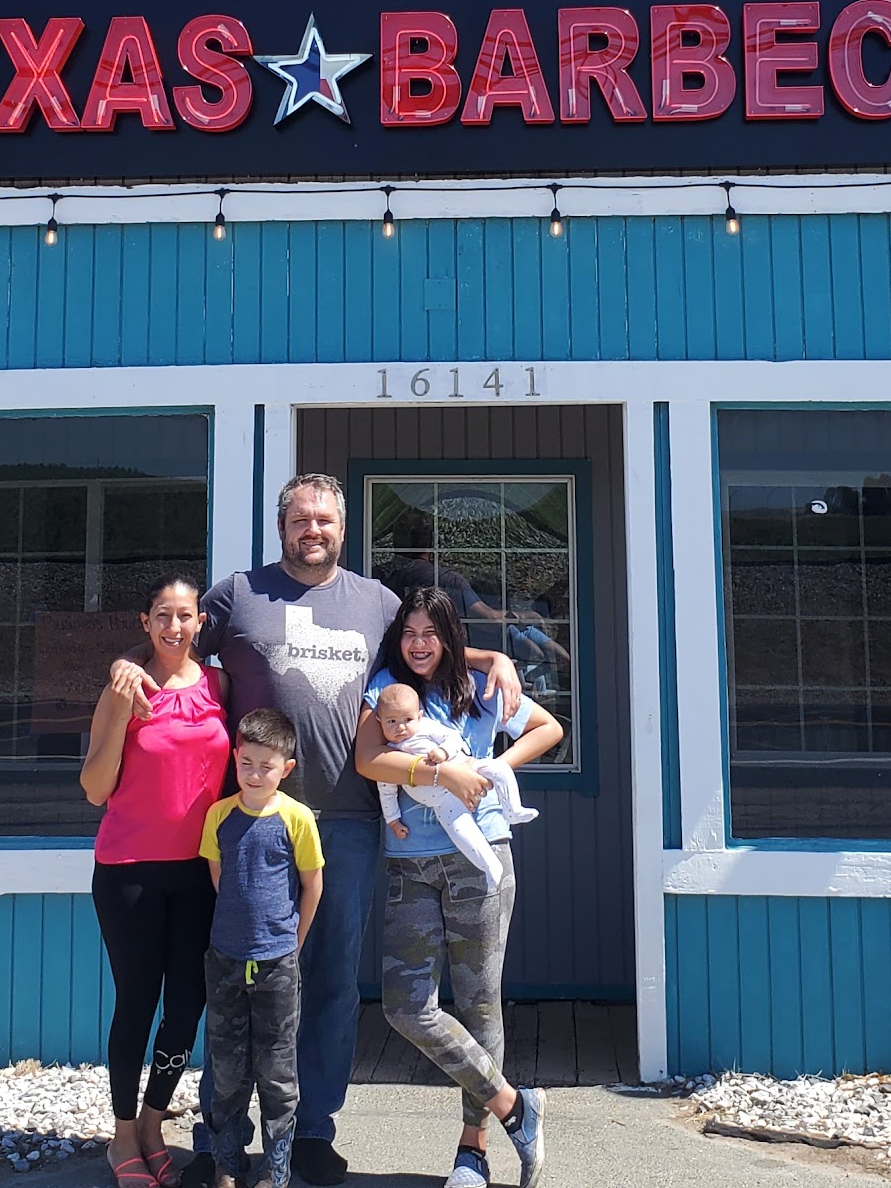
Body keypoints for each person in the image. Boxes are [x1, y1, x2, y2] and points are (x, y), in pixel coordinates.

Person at [111, 472, 521, 1187]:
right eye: (302, 519)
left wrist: (492, 655)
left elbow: (430, 652)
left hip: (350, 823)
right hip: (251, 822)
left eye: (326, 520)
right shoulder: (238, 595)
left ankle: (310, 1131)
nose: (314, 531)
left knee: (331, 982)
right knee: (237, 978)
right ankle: (221, 1134)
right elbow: (174, 642)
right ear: (283, 526)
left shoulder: (378, 602)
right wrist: (127, 663)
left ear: (340, 527)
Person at [355, 587, 563, 1188]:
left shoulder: (480, 692)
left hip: (481, 857)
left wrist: (497, 768)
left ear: (448, 635)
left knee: (478, 1002)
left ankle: (472, 1151)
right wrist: (440, 770)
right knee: (406, 1005)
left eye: (430, 632)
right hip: (409, 862)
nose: (418, 645)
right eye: (408, 633)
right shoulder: (388, 693)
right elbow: (370, 760)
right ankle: (515, 1107)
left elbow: (549, 727)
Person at [82, 573, 231, 1187]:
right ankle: (121, 1136)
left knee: (188, 1004)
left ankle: (152, 1120)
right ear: (145, 623)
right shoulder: (122, 688)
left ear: (201, 623)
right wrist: (123, 708)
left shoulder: (221, 684)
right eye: (162, 616)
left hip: (199, 871)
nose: (175, 627)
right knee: (138, 1002)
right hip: (129, 873)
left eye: (185, 616)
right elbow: (95, 789)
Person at [198, 707, 325, 1188]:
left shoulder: (297, 819)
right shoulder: (220, 815)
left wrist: (293, 941)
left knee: (276, 1072)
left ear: (285, 769)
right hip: (225, 959)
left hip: (276, 966)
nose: (254, 774)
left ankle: (276, 1168)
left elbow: (312, 887)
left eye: (266, 766)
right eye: (246, 763)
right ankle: (228, 1161)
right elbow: (218, 876)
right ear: (235, 759)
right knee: (227, 1071)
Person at [372, 679, 537, 879]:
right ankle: (490, 866)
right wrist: (393, 820)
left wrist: (443, 751)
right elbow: (386, 791)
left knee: (499, 768)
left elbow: (453, 738)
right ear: (379, 721)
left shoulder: (426, 727)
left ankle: (513, 809)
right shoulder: (388, 754)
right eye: (392, 722)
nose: (401, 727)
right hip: (442, 801)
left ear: (419, 716)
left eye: (407, 720)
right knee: (462, 832)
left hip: (466, 766)